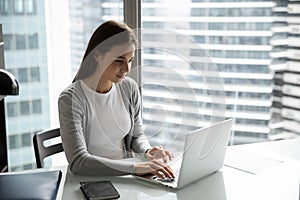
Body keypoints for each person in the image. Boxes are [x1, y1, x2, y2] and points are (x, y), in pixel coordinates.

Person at [58, 20, 175, 179]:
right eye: (119, 60)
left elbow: (136, 136)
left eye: (130, 60)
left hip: (125, 178)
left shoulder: (129, 88)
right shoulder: (71, 99)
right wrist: (136, 167)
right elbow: (79, 161)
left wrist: (148, 152)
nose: (127, 69)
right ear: (98, 55)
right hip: (90, 181)